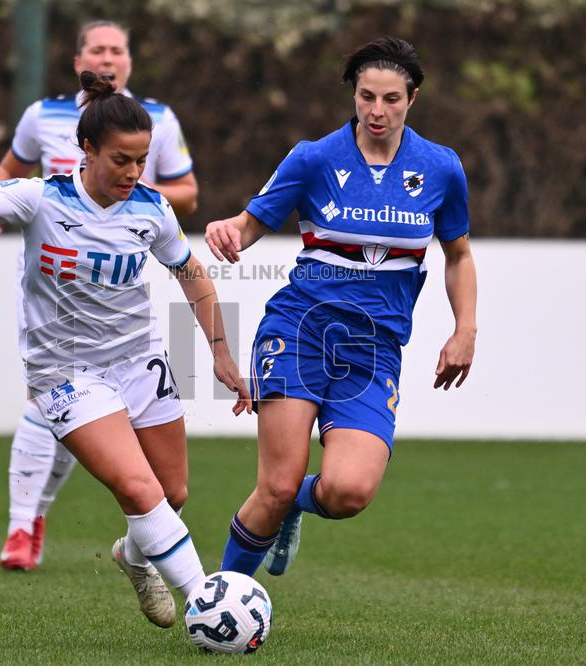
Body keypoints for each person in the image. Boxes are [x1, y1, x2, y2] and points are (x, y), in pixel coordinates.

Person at [0, 72, 250, 628]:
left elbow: (192, 274)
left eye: (141, 160)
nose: (133, 172)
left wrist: (220, 353)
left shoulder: (152, 209)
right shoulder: (41, 197)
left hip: (139, 358)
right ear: (88, 149)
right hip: (66, 372)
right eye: (121, 159)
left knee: (171, 493)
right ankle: (208, 604)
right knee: (137, 487)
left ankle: (133, 556)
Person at [205, 36, 477, 577]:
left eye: (391, 99)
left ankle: (292, 508)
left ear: (412, 99)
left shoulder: (442, 168)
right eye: (366, 96)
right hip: (300, 328)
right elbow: (250, 223)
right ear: (353, 94)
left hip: (374, 347)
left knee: (348, 491)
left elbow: (459, 255)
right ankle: (219, 600)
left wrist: (465, 328)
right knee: (276, 484)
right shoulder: (313, 158)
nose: (377, 110)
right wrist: (228, 229)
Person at [0, 20, 199, 573]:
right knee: (52, 397)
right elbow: (10, 172)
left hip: (117, 282)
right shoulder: (42, 115)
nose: (107, 58)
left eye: (117, 49)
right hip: (54, 278)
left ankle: (125, 541)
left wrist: (126, 197)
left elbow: (188, 194)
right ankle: (24, 524)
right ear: (79, 61)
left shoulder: (157, 119)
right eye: (97, 49)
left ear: (129, 60)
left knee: (162, 481)